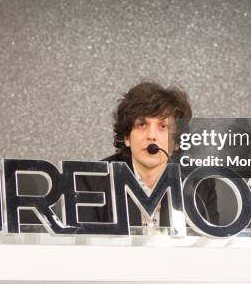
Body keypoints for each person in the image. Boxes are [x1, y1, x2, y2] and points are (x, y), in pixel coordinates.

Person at [78, 81, 219, 227]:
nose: (151, 135)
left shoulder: (200, 183)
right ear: (127, 137)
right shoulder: (93, 180)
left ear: (176, 141)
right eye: (142, 125)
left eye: (163, 126)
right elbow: (85, 246)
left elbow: (208, 247)